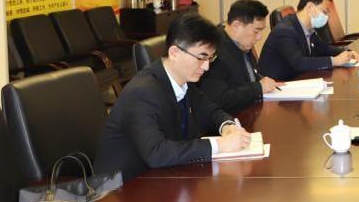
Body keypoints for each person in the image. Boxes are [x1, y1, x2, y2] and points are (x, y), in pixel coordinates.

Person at [97, 14, 252, 182]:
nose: (206, 66)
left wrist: (228, 127)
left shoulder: (183, 79)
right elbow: (156, 153)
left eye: (210, 58)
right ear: (174, 52)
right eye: (201, 57)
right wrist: (219, 145)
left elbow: (210, 111)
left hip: (163, 177)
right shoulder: (141, 93)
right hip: (124, 186)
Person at [258, 0, 359, 81]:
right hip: (277, 87)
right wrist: (334, 61)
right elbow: (299, 63)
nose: (326, 17)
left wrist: (347, 52)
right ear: (310, 7)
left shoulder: (307, 27)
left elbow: (323, 49)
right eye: (324, 12)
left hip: (297, 79)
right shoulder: (285, 31)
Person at [199, 0, 284, 114]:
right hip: (230, 119)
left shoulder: (242, 43)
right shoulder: (214, 51)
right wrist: (258, 88)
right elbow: (218, 100)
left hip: (250, 110)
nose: (259, 37)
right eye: (256, 31)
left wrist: (263, 81)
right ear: (236, 25)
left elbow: (247, 77)